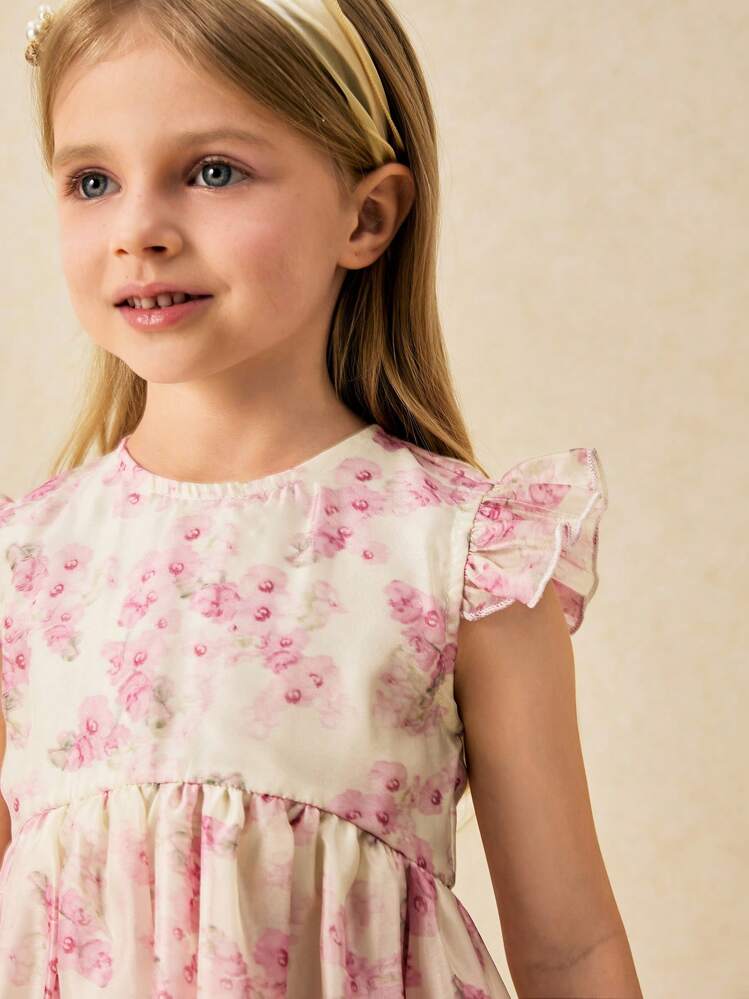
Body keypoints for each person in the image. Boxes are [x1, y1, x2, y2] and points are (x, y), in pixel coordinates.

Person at [0, 0, 642, 995]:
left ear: (366, 216)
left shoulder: (464, 555)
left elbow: (567, 947)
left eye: (212, 172)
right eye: (93, 181)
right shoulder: (26, 560)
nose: (137, 231)